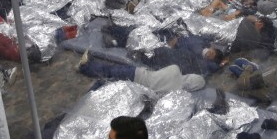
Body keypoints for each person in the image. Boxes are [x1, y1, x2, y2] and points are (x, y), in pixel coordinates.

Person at [77, 50, 206, 93]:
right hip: (137, 85)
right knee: (110, 76)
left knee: (110, 71)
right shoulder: (175, 92)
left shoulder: (175, 70)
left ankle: (85, 67)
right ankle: (91, 69)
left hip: (137, 74)